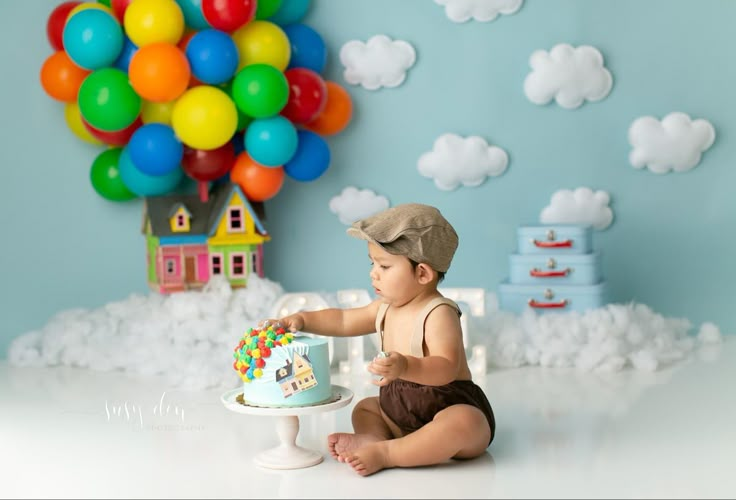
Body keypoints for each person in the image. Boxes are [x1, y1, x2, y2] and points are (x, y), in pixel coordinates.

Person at [260, 203, 495, 476]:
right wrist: (303, 319)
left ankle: (388, 453)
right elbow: (344, 320)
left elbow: (446, 367)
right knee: (366, 408)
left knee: (465, 423)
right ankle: (375, 439)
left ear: (422, 273)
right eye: (373, 263)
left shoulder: (438, 312)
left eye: (384, 266)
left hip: (448, 404)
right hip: (400, 411)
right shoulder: (384, 306)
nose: (374, 273)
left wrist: (406, 366)